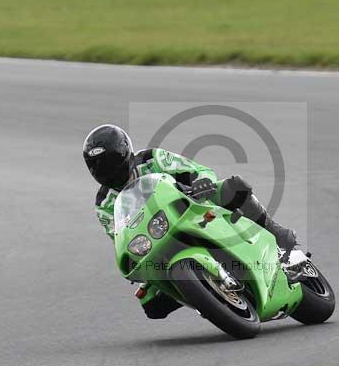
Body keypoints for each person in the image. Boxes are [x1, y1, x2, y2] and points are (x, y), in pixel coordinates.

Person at [83, 124, 297, 320]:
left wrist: (202, 182)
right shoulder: (104, 203)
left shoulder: (152, 159)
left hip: (192, 206)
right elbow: (118, 236)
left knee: (234, 186)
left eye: (110, 162)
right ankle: (204, 294)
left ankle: (275, 232)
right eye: (98, 167)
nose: (106, 171)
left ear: (124, 153)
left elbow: (198, 170)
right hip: (154, 238)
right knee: (151, 305)